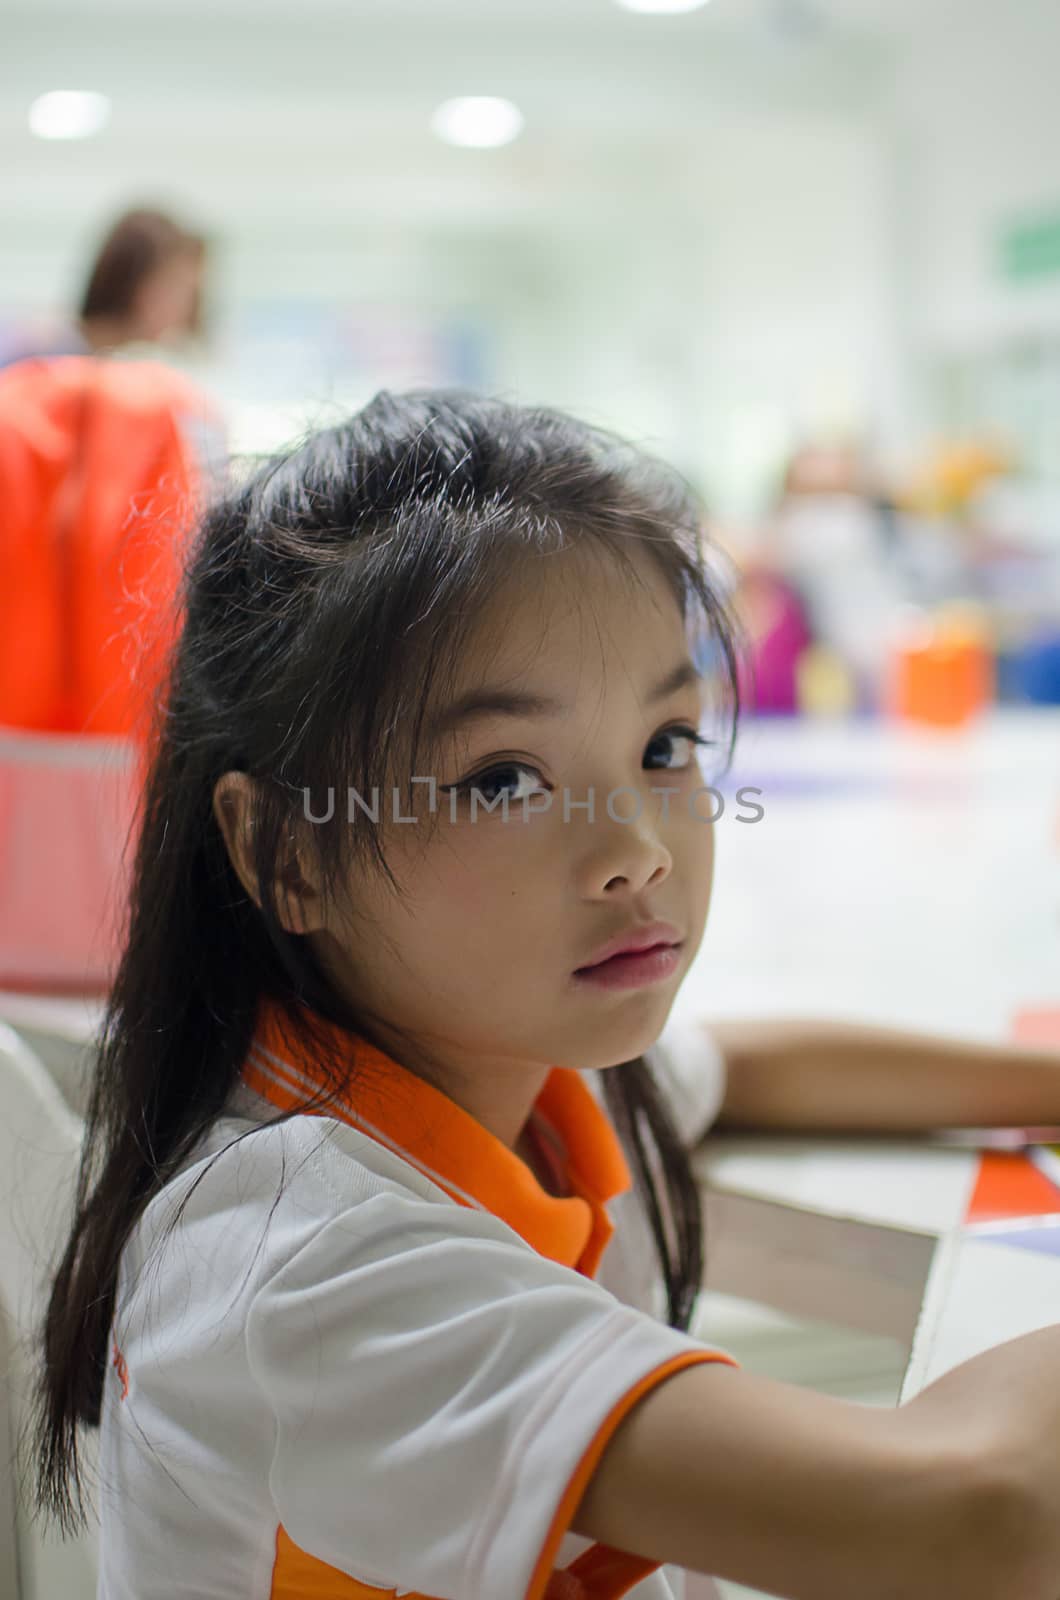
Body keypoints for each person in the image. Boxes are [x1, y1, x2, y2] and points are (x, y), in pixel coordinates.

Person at [34, 391, 1060, 1600]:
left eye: (665, 745)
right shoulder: (301, 1266)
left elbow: (745, 1064)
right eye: (503, 776)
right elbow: (982, 1520)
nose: (636, 845)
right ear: (287, 855)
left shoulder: (519, 1074)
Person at [0, 206, 206, 370]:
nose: (185, 312)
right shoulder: (43, 352)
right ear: (141, 288)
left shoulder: (106, 368)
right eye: (180, 291)